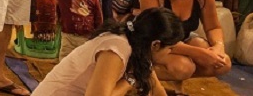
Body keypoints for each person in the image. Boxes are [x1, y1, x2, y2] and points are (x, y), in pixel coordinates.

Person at [32, 7, 184, 96]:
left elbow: (157, 90)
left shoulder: (138, 44)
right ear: (155, 45)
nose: (170, 53)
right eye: (170, 48)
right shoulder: (117, 48)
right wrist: (129, 80)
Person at [136, 0, 232, 93]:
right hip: (154, 43)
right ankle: (136, 73)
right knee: (184, 67)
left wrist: (218, 47)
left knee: (223, 63)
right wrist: (201, 53)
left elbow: (213, 27)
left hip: (182, 39)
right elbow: (158, 38)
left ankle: (175, 79)